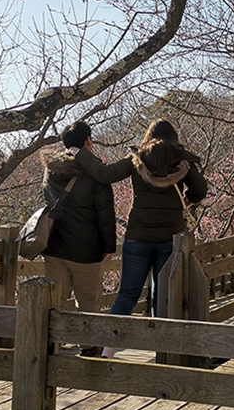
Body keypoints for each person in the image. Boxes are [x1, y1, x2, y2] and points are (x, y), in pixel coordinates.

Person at [74, 119, 207, 355]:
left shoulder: (138, 158)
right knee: (163, 294)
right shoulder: (182, 159)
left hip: (138, 236)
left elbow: (105, 175)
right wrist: (183, 203)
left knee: (127, 294)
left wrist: (78, 152)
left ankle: (108, 349)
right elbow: (200, 190)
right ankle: (162, 350)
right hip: (170, 237)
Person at [40, 120, 117, 355]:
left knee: (56, 299)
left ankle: (53, 345)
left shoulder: (51, 170)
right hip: (86, 249)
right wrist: (108, 246)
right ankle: (89, 347)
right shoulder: (95, 174)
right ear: (88, 142)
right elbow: (105, 215)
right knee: (89, 300)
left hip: (54, 247)